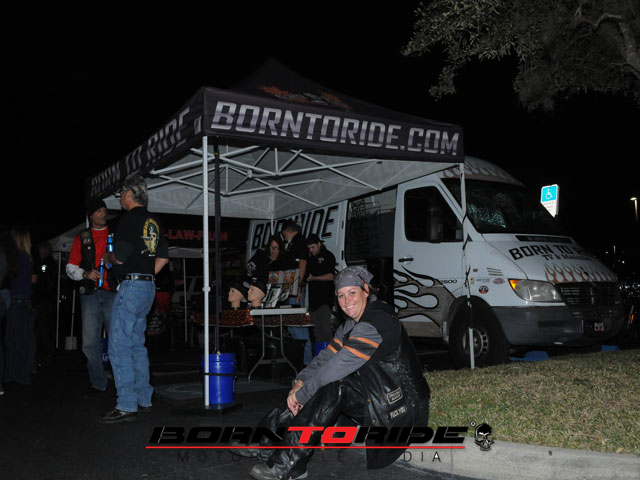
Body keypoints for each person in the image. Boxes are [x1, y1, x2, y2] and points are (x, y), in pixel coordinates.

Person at [240, 266, 430, 480]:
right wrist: (300, 381)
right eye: (341, 295)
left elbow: (338, 366)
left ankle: (289, 462)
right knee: (316, 383)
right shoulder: (350, 325)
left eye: (352, 292)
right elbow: (325, 358)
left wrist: (303, 394)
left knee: (335, 385)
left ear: (366, 290)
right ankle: (264, 439)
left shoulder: (377, 322)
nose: (347, 301)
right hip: (376, 396)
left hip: (402, 409)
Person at [99, 174, 168, 424]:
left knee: (119, 345)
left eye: (121, 194)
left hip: (131, 287)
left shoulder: (129, 219)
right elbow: (163, 258)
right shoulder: (154, 220)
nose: (120, 198)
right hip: (148, 287)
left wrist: (107, 259)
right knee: (137, 344)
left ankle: (127, 403)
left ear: (129, 194)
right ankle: (143, 397)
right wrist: (145, 274)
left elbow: (120, 255)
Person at [66, 199, 117, 393]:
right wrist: (85, 274)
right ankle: (98, 382)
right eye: (99, 211)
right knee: (89, 343)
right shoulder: (82, 237)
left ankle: (122, 382)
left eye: (104, 210)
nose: (103, 214)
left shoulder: (116, 233)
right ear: (91, 215)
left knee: (116, 339)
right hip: (89, 294)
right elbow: (70, 267)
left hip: (112, 293)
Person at [4, 227, 37, 386]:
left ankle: (18, 374)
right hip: (24, 300)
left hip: (17, 300)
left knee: (15, 340)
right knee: (24, 338)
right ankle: (21, 372)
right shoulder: (26, 258)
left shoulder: (17, 258)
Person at [281, 221, 312, 365]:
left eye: (284, 233)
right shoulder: (294, 244)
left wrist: (298, 286)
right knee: (293, 324)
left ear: (287, 231)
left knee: (298, 324)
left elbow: (303, 263)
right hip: (291, 287)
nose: (284, 236)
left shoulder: (299, 242)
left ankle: (306, 361)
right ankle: (300, 360)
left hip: (295, 288)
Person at [305, 234, 336, 346]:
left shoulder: (328, 256)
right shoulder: (310, 259)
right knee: (317, 331)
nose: (311, 250)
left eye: (313, 247)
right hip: (313, 301)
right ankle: (320, 354)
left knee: (325, 329)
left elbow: (331, 276)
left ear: (319, 244)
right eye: (309, 248)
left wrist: (314, 278)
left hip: (325, 299)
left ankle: (331, 353)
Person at [33, 241, 57, 367]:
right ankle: (45, 353)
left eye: (42, 248)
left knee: (43, 327)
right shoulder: (41, 262)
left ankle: (47, 353)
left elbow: (47, 282)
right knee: (41, 327)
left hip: (44, 300)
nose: (41, 250)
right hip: (42, 299)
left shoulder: (48, 263)